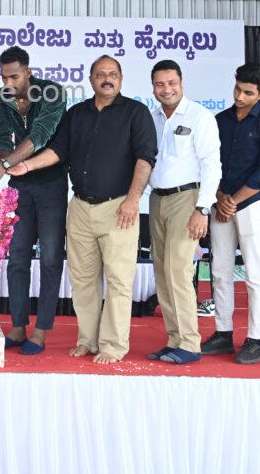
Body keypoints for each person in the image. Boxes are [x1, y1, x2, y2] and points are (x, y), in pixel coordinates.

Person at [9, 56, 157, 363]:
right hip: (80, 209)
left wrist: (133, 200)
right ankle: (88, 340)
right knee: (83, 280)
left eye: (112, 74)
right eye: (100, 74)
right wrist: (26, 165)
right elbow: (57, 150)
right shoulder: (77, 114)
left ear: (121, 78)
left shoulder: (136, 112)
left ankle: (112, 345)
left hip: (119, 208)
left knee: (118, 281)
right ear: (91, 80)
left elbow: (145, 159)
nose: (107, 79)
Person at [0, 46, 67, 355]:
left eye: (14, 77)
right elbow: (4, 140)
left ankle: (41, 331)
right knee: (17, 257)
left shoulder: (53, 92)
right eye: (4, 77)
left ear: (28, 72)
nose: (8, 83)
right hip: (19, 186)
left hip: (52, 184)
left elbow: (39, 136)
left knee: (51, 258)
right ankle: (18, 326)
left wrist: (2, 165)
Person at [202, 63, 260, 364]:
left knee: (254, 271)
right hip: (221, 201)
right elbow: (209, 163)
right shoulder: (219, 120)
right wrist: (220, 197)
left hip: (250, 203)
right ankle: (223, 333)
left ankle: (254, 339)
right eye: (237, 89)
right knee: (220, 269)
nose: (239, 96)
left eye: (248, 92)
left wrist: (232, 201)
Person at [146, 60, 221, 364]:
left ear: (181, 83)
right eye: (160, 84)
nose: (166, 89)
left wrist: (203, 208)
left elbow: (212, 166)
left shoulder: (199, 116)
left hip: (187, 199)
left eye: (171, 83)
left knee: (178, 270)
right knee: (163, 273)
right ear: (153, 87)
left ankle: (190, 343)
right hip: (157, 200)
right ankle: (174, 338)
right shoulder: (151, 118)